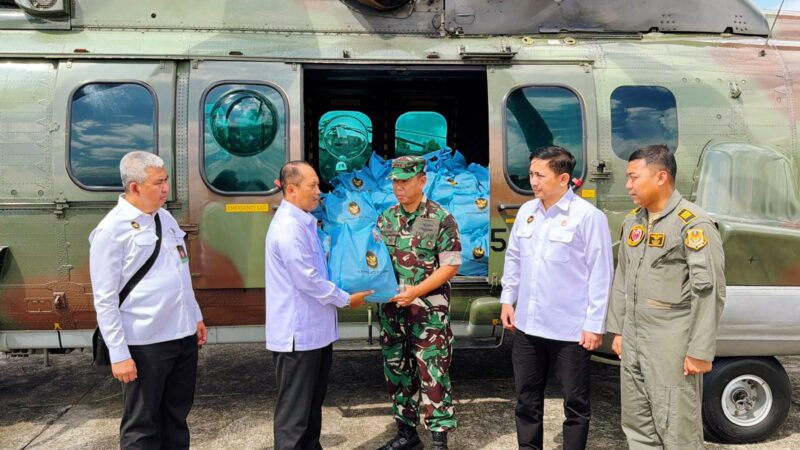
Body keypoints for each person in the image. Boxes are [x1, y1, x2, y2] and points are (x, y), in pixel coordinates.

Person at [607, 144, 726, 449]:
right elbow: (622, 278)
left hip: (671, 342)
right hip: (634, 338)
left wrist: (700, 350)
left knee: (677, 426)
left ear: (661, 177)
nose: (628, 185)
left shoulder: (693, 224)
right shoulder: (633, 222)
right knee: (637, 424)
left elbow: (708, 292)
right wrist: (618, 329)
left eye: (634, 177)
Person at [90, 151, 206, 449]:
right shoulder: (111, 230)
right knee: (142, 426)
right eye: (158, 183)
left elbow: (181, 271)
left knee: (176, 418)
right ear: (135, 187)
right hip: (145, 343)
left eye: (166, 180)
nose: (166, 188)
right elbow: (105, 299)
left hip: (181, 336)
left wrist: (195, 316)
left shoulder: (164, 218)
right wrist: (119, 354)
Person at [500, 146, 614, 450]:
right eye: (531, 174)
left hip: (570, 330)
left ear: (563, 178)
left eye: (540, 175)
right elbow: (514, 259)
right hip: (528, 326)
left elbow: (601, 274)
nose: (533, 181)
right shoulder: (527, 212)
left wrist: (594, 324)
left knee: (575, 403)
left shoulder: (588, 217)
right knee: (526, 399)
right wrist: (508, 299)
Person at [265, 161, 373, 450]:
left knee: (311, 407)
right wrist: (346, 299)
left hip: (314, 333)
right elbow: (309, 280)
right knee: (295, 415)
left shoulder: (303, 222)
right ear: (291, 190)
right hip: (298, 336)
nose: (318, 191)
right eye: (312, 186)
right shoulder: (289, 229)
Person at [375, 156, 462, 450]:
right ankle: (406, 434)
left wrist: (416, 291)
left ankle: (439, 440)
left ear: (422, 180)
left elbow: (450, 266)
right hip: (392, 312)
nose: (398, 187)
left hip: (429, 313)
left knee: (433, 372)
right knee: (397, 371)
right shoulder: (386, 218)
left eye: (405, 181)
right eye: (395, 182)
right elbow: (375, 263)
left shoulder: (441, 218)